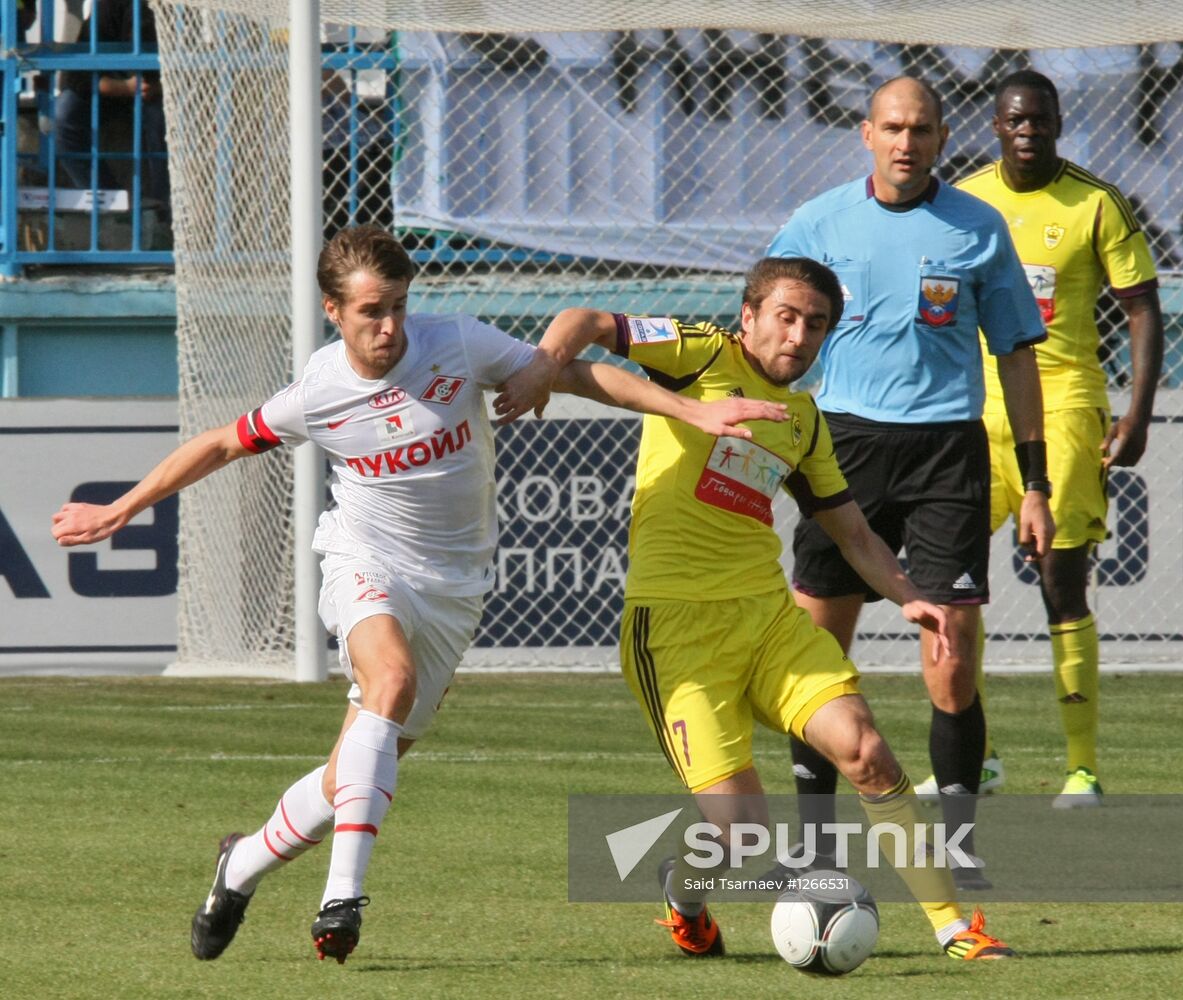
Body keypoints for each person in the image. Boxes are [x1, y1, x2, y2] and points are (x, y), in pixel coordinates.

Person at [50, 225, 786, 964]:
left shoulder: (457, 345)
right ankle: (343, 896)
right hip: (364, 558)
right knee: (389, 680)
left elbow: (578, 375)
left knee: (354, 775)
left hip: (454, 587)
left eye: (399, 305)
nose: (390, 326)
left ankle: (238, 865)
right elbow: (218, 443)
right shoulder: (319, 391)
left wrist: (687, 409)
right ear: (333, 311)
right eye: (371, 310)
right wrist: (120, 508)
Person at [533, 257, 1017, 961]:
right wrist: (543, 369)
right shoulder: (698, 351)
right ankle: (684, 894)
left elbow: (852, 533)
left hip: (767, 622)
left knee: (869, 753)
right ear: (750, 316)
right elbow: (584, 325)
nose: (798, 335)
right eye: (785, 317)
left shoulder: (805, 420)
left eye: (815, 324)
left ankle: (952, 927)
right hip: (674, 631)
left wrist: (913, 596)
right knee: (738, 833)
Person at [765, 77, 1054, 888]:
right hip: (841, 448)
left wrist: (1035, 484)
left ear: (941, 137)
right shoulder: (817, 224)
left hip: (947, 455)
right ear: (867, 134)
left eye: (921, 129)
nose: (906, 142)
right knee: (817, 652)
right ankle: (815, 845)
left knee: (950, 660)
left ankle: (959, 845)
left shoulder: (977, 228)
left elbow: (1018, 357)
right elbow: (761, 324)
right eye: (892, 127)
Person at [953, 70, 1163, 808]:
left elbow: (1141, 306)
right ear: (996, 126)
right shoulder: (966, 200)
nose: (1028, 131)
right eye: (1015, 120)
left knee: (1060, 581)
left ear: (1058, 123)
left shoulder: (1096, 202)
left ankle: (1083, 769)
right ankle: (975, 758)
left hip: (1067, 405)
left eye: (1040, 119)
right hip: (976, 411)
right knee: (953, 586)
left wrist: (1136, 413)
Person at [55, 0, 170, 213]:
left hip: (163, 91)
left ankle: (163, 210)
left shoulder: (184, 9)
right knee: (62, 117)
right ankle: (111, 205)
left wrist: (160, 87)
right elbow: (75, 75)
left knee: (162, 119)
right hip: (115, 90)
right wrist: (123, 87)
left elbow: (199, 70)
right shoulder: (110, 5)